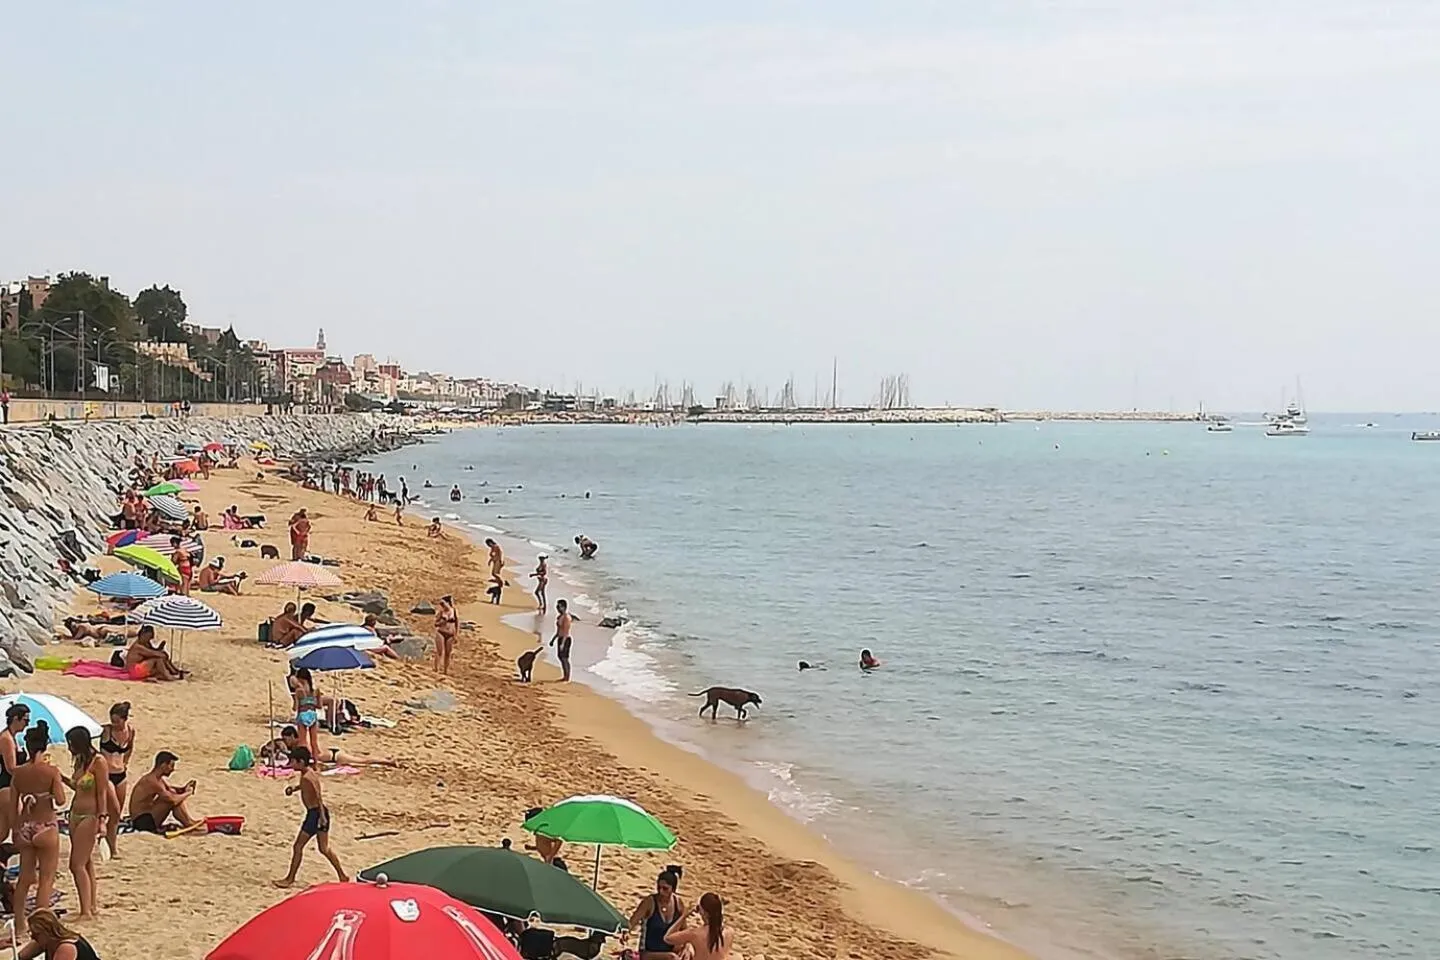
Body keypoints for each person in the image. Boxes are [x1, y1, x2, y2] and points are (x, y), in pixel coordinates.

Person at [11, 722, 64, 941]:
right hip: (46, 825)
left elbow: (14, 806)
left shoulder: (18, 773)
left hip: (25, 826)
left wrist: (16, 829)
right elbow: (60, 800)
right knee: (46, 878)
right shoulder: (51, 771)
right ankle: (41, 927)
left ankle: (20, 924)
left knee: (24, 879)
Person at [274, 746, 347, 887]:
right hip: (319, 813)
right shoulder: (308, 773)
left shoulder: (308, 777)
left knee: (298, 846)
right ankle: (342, 875)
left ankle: (289, 879)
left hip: (315, 815)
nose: (291, 764)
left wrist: (321, 817)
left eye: (293, 761)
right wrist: (295, 788)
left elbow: (318, 795)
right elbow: (307, 787)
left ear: (301, 762)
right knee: (324, 848)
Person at [64, 728, 106, 921]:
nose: (69, 748)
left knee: (76, 864)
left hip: (90, 815)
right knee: (86, 862)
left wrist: (102, 819)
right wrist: (62, 778)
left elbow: (102, 793)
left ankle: (86, 911)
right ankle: (91, 906)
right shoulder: (81, 761)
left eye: (71, 744)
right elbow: (76, 785)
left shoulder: (99, 762)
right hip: (75, 814)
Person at [264, 725, 397, 769]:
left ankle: (387, 761)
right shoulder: (297, 745)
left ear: (293, 736)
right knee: (361, 760)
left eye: (287, 739)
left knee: (362, 761)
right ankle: (386, 759)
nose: (286, 742)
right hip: (332, 755)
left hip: (334, 757)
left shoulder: (302, 745)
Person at [128, 751, 197, 834]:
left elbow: (170, 790)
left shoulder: (157, 779)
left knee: (172, 792)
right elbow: (172, 800)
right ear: (163, 765)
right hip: (141, 822)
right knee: (169, 800)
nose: (173, 769)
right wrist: (188, 793)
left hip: (146, 815)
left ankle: (189, 822)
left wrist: (184, 788)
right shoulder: (152, 781)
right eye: (171, 766)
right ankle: (189, 823)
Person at [98, 703, 135, 860]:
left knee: (117, 814)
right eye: (112, 720)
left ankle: (112, 845)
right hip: (106, 774)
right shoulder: (106, 731)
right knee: (112, 809)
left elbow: (130, 748)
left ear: (124, 719)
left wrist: (125, 762)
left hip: (121, 774)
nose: (114, 723)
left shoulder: (130, 731)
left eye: (117, 721)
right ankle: (108, 845)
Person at [629, 866, 686, 960]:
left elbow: (684, 930)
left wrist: (687, 946)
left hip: (671, 952)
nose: (660, 891)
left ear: (673, 889)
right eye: (659, 887)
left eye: (665, 888)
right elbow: (632, 922)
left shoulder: (678, 903)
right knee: (671, 957)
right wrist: (627, 933)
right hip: (649, 953)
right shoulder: (649, 902)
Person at [664, 893, 729, 960]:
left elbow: (667, 938)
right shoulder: (729, 932)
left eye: (699, 909)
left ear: (704, 913)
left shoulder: (696, 934)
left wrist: (684, 915)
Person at [17, 909, 101, 960]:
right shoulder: (46, 940)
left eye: (36, 934)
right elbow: (20, 957)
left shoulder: (66, 947)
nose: (32, 937)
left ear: (47, 932)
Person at [0, 701, 31, 844]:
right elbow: (11, 768)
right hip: (7, 787)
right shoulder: (6, 739)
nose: (27, 724)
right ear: (15, 719)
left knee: (3, 830)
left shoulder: (12, 738)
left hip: (10, 786)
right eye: (25, 720)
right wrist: (31, 768)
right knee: (17, 826)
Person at [291, 668, 323, 760]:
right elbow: (319, 706)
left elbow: (295, 708)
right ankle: (316, 763)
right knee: (314, 742)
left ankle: (304, 760)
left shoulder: (299, 691)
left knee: (302, 741)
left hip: (302, 714)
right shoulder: (316, 691)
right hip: (312, 714)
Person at [550, 599, 573, 682]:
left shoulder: (566, 617)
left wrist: (563, 643)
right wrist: (553, 639)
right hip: (560, 638)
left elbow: (566, 631)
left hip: (565, 639)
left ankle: (567, 676)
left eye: (559, 606)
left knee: (564, 658)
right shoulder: (560, 617)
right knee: (560, 657)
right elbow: (559, 630)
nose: (557, 608)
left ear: (564, 607)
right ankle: (565, 675)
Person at [434, 595, 458, 675]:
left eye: (443, 603)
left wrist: (456, 635)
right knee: (439, 651)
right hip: (441, 632)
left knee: (448, 653)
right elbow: (435, 623)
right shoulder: (441, 612)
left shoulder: (453, 611)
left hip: (450, 633)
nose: (442, 605)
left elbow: (457, 623)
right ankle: (436, 668)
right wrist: (442, 621)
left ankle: (445, 670)